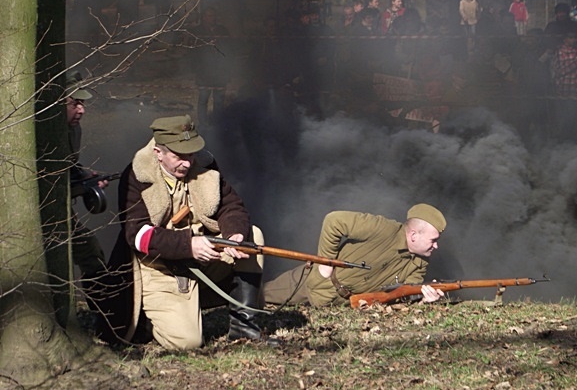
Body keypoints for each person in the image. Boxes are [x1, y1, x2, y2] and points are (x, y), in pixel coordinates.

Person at [104, 114, 273, 350]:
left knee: (252, 236)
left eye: (191, 153)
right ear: (158, 153)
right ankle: (150, 320)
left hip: (204, 258)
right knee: (187, 343)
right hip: (159, 269)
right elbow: (138, 235)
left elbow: (231, 206)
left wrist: (234, 235)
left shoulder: (205, 166)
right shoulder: (136, 176)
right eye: (179, 156)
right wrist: (189, 245)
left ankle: (243, 326)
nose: (187, 162)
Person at [264, 204, 447, 307]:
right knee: (258, 298)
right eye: (433, 240)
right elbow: (334, 221)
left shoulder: (420, 262)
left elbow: (403, 294)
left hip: (342, 304)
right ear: (414, 236)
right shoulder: (382, 228)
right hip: (314, 282)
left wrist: (424, 300)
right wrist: (325, 265)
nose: (436, 246)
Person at [65, 72, 108, 308]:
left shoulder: (73, 129)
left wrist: (85, 176)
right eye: (74, 104)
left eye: (83, 104)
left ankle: (101, 313)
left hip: (61, 211)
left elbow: (68, 167)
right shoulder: (35, 133)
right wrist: (81, 187)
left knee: (91, 253)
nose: (81, 110)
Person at [193, 7, 231, 128]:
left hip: (219, 71)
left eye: (213, 16)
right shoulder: (198, 31)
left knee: (219, 101)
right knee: (203, 99)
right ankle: (203, 124)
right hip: (204, 72)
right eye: (209, 16)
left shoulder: (222, 30)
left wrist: (227, 70)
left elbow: (228, 50)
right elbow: (194, 53)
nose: (211, 18)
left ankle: (217, 123)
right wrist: (196, 70)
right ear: (203, 17)